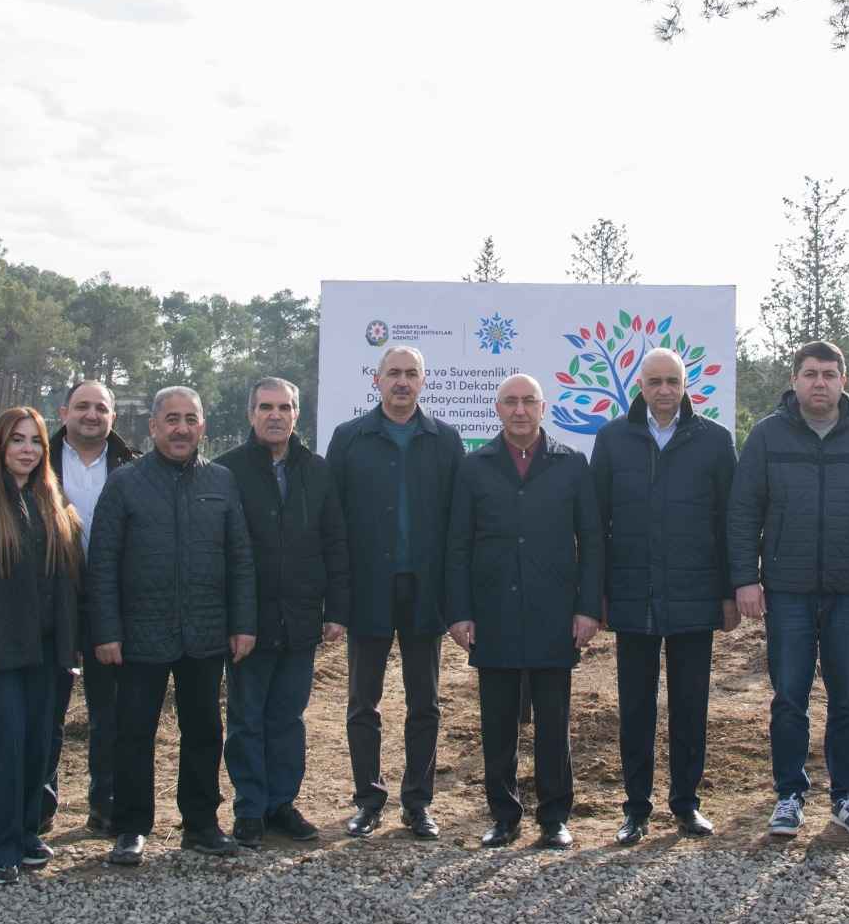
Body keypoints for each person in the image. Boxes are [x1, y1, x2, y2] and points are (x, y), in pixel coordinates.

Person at [726, 340, 849, 841]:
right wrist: (745, 577)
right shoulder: (766, 437)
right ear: (795, 380)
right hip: (787, 590)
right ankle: (789, 795)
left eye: (829, 373)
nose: (820, 383)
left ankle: (847, 796)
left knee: (848, 697)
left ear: (843, 380)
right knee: (789, 696)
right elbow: (743, 512)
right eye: (810, 374)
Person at [87, 387, 257, 865]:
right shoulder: (125, 483)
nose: (182, 428)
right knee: (133, 732)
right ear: (154, 427)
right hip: (140, 634)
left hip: (205, 632)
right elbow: (102, 562)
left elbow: (240, 559)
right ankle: (131, 827)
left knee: (204, 730)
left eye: (191, 419)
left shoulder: (221, 481)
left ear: (203, 426)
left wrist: (243, 623)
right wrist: (106, 631)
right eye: (172, 420)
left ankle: (201, 823)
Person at [446, 374, 604, 851]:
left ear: (542, 407)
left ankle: (554, 817)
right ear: (497, 409)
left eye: (528, 401)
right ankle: (504, 815)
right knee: (496, 722)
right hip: (492, 614)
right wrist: (459, 612)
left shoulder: (572, 464)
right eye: (510, 402)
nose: (519, 410)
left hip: (554, 614)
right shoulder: (475, 467)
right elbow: (457, 546)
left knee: (554, 721)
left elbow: (593, 542)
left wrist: (587, 608)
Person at [589, 347, 736, 844]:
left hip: (695, 597)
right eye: (655, 382)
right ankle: (635, 808)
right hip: (632, 596)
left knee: (690, 706)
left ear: (686, 382)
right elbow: (596, 526)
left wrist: (731, 592)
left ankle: (686, 804)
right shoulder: (612, 440)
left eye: (673, 380)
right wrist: (599, 594)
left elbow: (729, 524)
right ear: (640, 385)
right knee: (635, 708)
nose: (665, 391)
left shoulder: (714, 442)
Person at [324, 345, 462, 840]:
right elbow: (333, 525)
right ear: (376, 380)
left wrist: (455, 600)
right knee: (364, 702)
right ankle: (368, 799)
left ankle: (418, 802)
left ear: (424, 382)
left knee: (424, 703)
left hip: (425, 592)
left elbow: (457, 527)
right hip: (368, 592)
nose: (402, 382)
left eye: (411, 374)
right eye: (393, 374)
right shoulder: (349, 439)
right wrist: (335, 600)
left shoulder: (445, 440)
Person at [0, 406, 84, 885]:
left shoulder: (54, 502)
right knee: (2, 750)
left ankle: (27, 833)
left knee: (39, 747)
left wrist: (71, 647)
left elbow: (72, 583)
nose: (27, 450)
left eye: (34, 442)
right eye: (17, 440)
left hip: (48, 654)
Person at [218, 377, 349, 848]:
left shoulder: (316, 470)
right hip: (247, 625)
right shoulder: (226, 470)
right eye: (266, 407)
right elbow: (220, 552)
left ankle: (282, 804)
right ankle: (250, 809)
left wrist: (336, 609)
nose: (276, 415)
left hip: (299, 619)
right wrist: (234, 620)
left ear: (297, 415)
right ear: (251, 414)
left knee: (288, 718)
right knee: (247, 719)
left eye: (285, 407)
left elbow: (335, 542)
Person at [45, 380, 138, 836]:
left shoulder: (132, 465)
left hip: (111, 603)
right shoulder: (34, 458)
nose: (91, 414)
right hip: (49, 600)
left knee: (111, 714)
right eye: (82, 406)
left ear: (113, 418)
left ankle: (107, 804)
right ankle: (38, 808)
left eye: (101, 408)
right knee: (45, 710)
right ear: (64, 412)